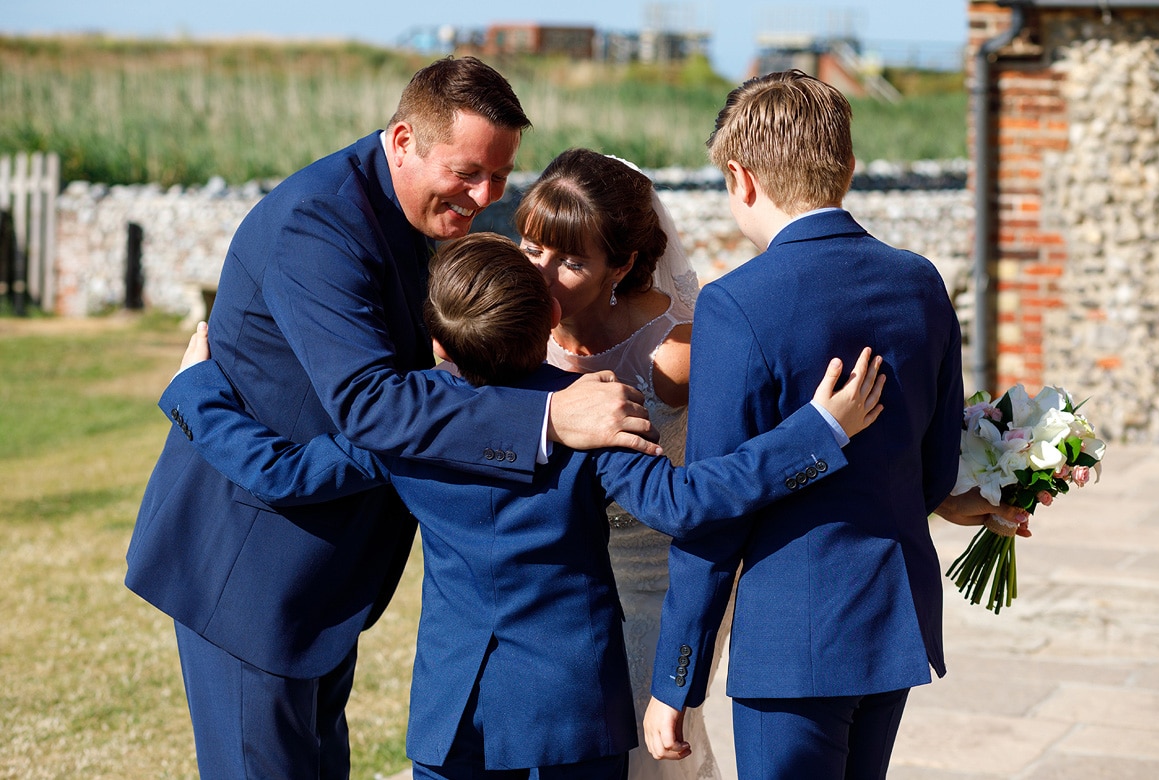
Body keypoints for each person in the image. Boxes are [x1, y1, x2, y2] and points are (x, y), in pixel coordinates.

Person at [162, 232, 887, 778]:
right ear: (547, 313)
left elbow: (280, 471)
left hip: (454, 712)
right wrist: (816, 434)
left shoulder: (403, 422)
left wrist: (196, 388)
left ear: (439, 340)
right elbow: (690, 502)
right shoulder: (594, 410)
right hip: (570, 710)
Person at [124, 56, 661, 780]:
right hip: (254, 570)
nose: (483, 197)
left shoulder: (411, 207)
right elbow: (372, 404)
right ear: (404, 140)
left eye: (500, 176)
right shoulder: (317, 226)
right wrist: (547, 420)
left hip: (330, 571)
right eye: (469, 172)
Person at [641, 69, 970, 778]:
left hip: (793, 640)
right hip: (894, 618)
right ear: (848, 167)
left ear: (740, 176)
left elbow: (713, 515)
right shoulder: (920, 282)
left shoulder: (737, 305)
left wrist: (677, 679)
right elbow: (939, 466)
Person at [512, 148, 723, 780]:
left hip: (649, 586)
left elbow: (737, 468)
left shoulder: (678, 352)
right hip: (546, 587)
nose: (542, 275)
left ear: (622, 266)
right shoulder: (513, 325)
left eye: (572, 261)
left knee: (637, 755)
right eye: (531, 248)